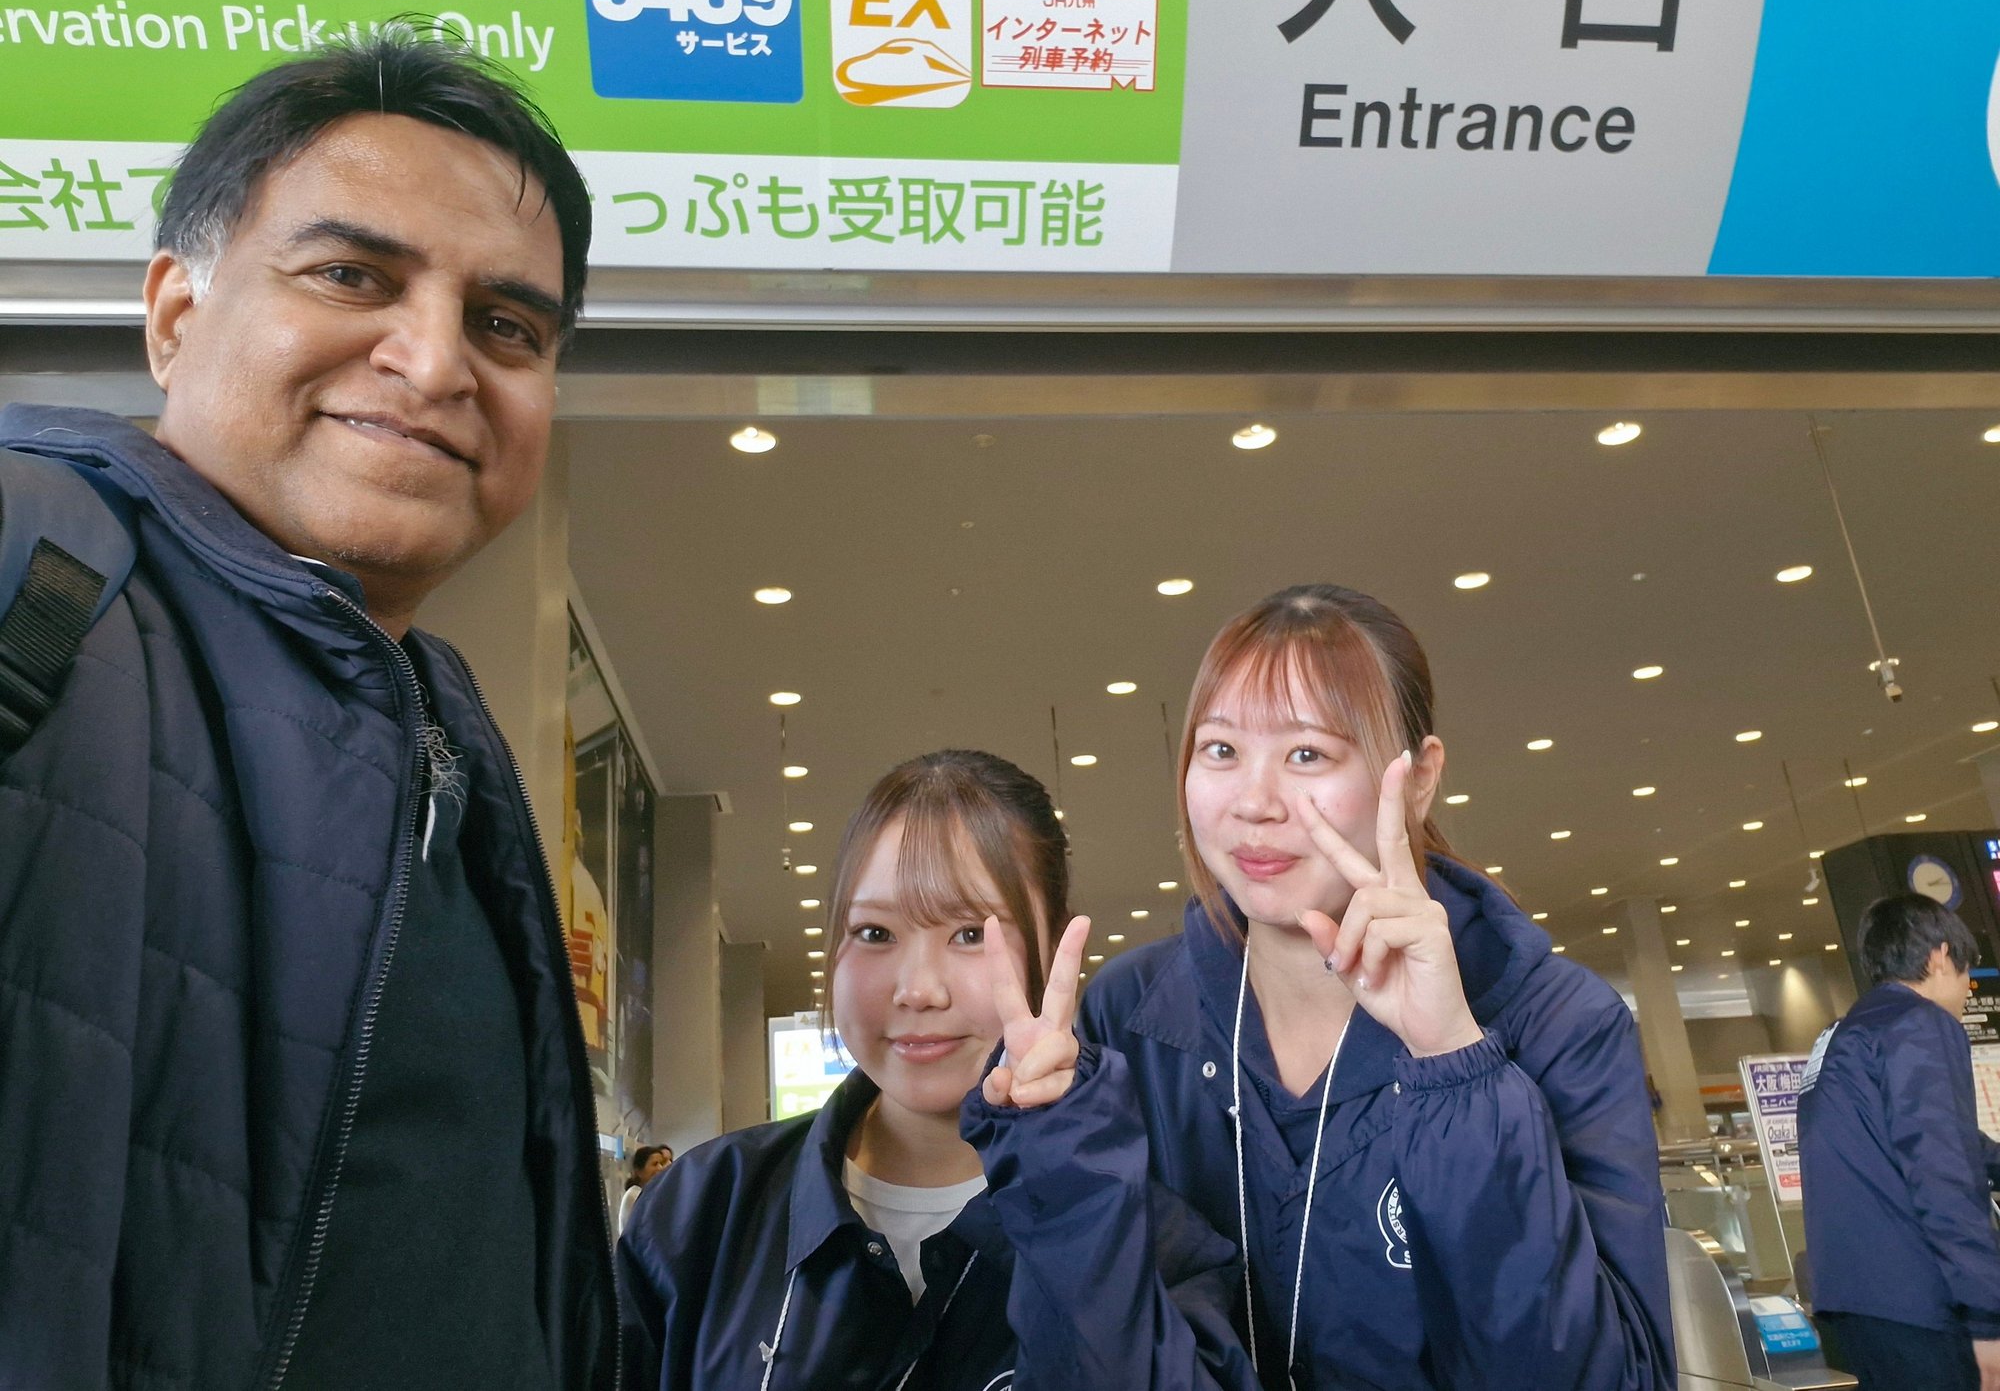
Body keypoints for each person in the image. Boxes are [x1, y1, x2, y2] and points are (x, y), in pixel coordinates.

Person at [0, 30, 612, 1391]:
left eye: (508, 325)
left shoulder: (447, 729)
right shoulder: (33, 566)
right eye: (352, 275)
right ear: (174, 314)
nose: (437, 361)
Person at [1079, 584, 1675, 1391]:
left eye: (1307, 754)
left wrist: (1452, 1063)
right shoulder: (1131, 1016)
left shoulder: (1560, 1022)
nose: (1254, 803)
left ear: (1420, 778)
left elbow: (1612, 1379)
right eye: (1221, 750)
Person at [616, 749, 1257, 1390]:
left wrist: (1071, 1214)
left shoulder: (1146, 1232)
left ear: (1055, 947)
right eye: (874, 933)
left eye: (971, 934)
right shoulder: (700, 1212)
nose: (918, 990)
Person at [1799, 893, 2000, 1391]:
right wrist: (1988, 1317)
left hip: (1855, 1301)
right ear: (1938, 955)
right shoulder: (1919, 1022)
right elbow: (1943, 1172)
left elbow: (1936, 1141)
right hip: (1919, 1300)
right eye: (1965, 973)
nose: (1967, 990)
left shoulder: (1842, 1035)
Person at [621, 1145, 675, 1236]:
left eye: (661, 1163)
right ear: (639, 1172)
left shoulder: (650, 1194)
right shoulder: (634, 1194)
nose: (660, 1168)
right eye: (654, 1164)